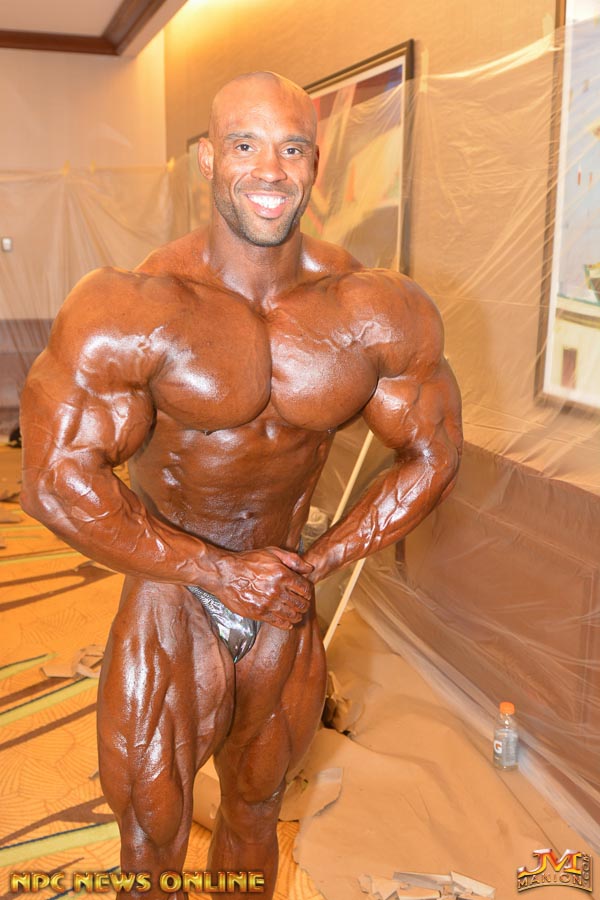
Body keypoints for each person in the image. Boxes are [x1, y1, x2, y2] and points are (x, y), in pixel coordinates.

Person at [20, 72, 462, 899]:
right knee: (152, 833)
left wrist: (322, 560)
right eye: (246, 145)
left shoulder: (371, 308)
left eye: (292, 149)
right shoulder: (134, 306)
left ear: (315, 165)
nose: (270, 170)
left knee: (257, 811)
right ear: (207, 158)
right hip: (172, 597)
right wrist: (215, 571)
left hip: (284, 596)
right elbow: (51, 480)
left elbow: (433, 455)